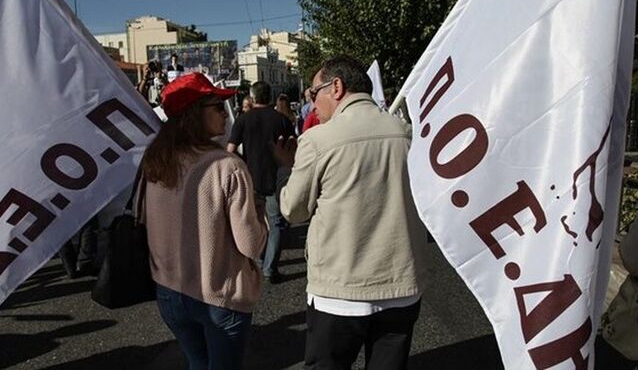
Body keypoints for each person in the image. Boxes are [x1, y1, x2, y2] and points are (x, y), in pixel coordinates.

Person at [273, 56, 428, 370]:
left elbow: (292, 209)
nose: (312, 104)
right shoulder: (407, 132)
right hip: (401, 282)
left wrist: (286, 170)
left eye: (314, 94)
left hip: (340, 287)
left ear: (337, 87)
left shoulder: (318, 140)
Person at [142, 73, 268, 369]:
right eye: (217, 105)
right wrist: (260, 217)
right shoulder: (227, 167)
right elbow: (250, 245)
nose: (226, 112)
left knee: (197, 363)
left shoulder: (156, 161)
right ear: (193, 115)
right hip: (219, 293)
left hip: (169, 291)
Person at [227, 81, 295, 283]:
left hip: (251, 179)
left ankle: (259, 258)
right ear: (270, 97)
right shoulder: (282, 120)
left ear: (253, 97)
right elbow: (294, 147)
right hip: (277, 178)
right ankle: (270, 267)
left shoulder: (242, 120)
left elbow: (230, 151)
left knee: (254, 222)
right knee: (276, 224)